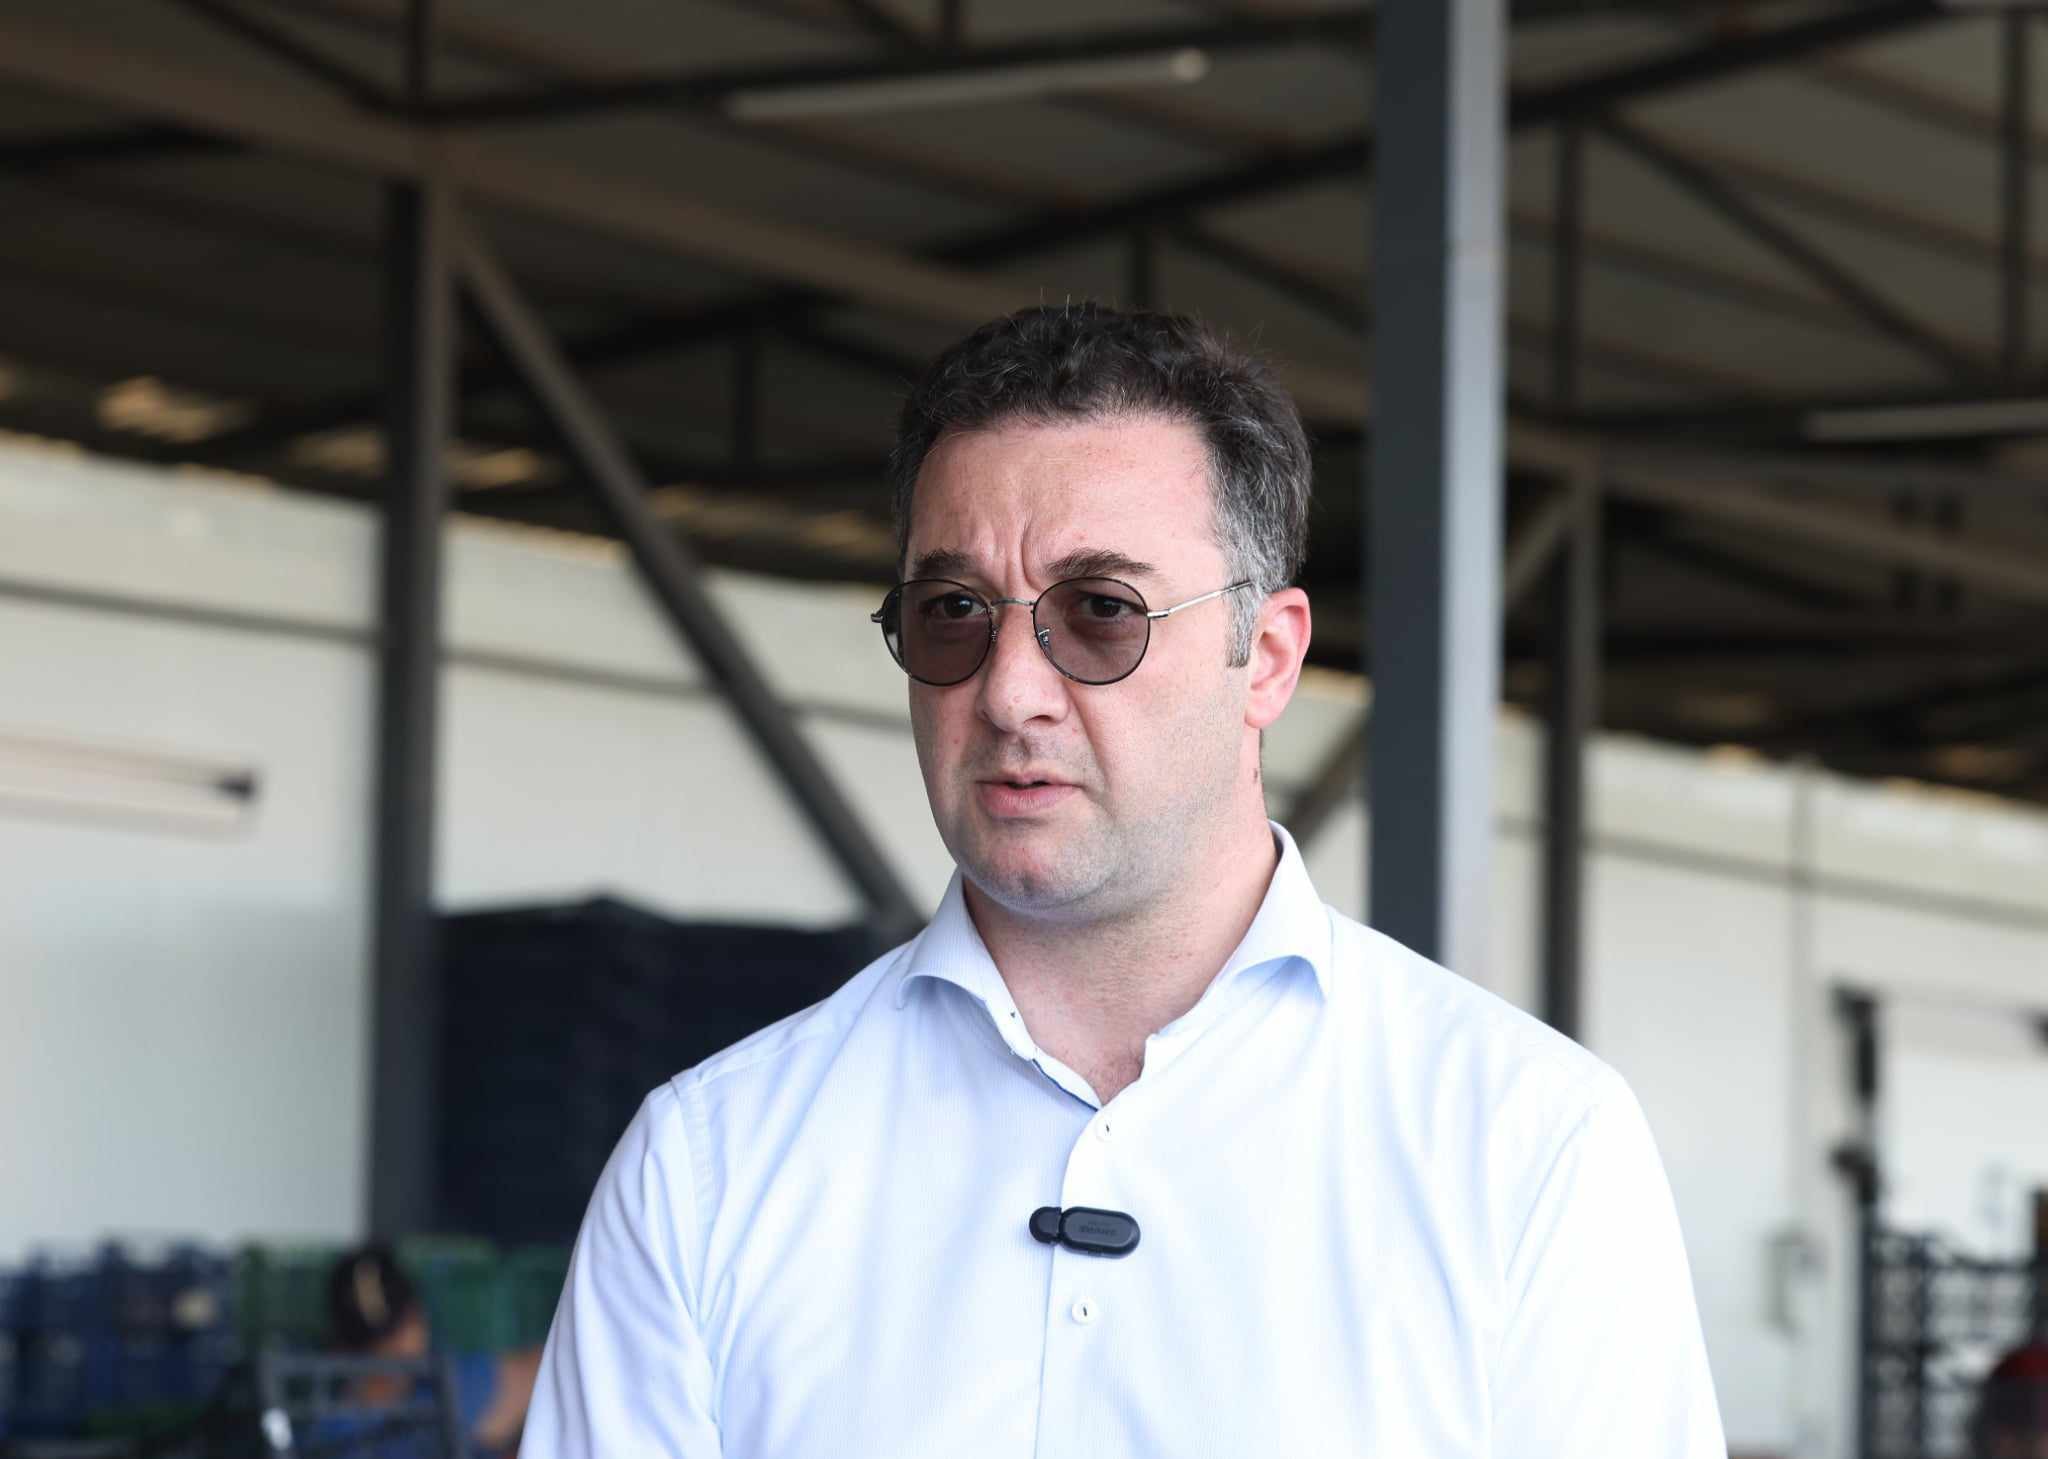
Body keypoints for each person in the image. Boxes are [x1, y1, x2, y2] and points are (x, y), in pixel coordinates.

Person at [519, 304, 1726, 1457]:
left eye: (1100, 610)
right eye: (952, 610)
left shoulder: (1522, 1147)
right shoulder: (708, 1170)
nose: (1008, 691)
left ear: (1264, 656)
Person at [311, 1245, 539, 1458]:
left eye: (402, 1326)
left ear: (418, 1317)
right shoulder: (333, 1431)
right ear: (343, 1350)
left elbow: (539, 1374)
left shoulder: (451, 1382)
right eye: (375, 1342)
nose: (396, 1347)